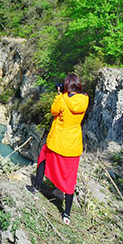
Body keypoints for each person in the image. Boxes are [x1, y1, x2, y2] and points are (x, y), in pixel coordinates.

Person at [29, 73, 89, 225]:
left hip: (57, 142)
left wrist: (59, 95)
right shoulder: (85, 99)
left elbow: (53, 111)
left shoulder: (62, 99)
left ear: (66, 86)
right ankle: (66, 214)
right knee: (70, 179)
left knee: (43, 157)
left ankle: (35, 188)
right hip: (73, 145)